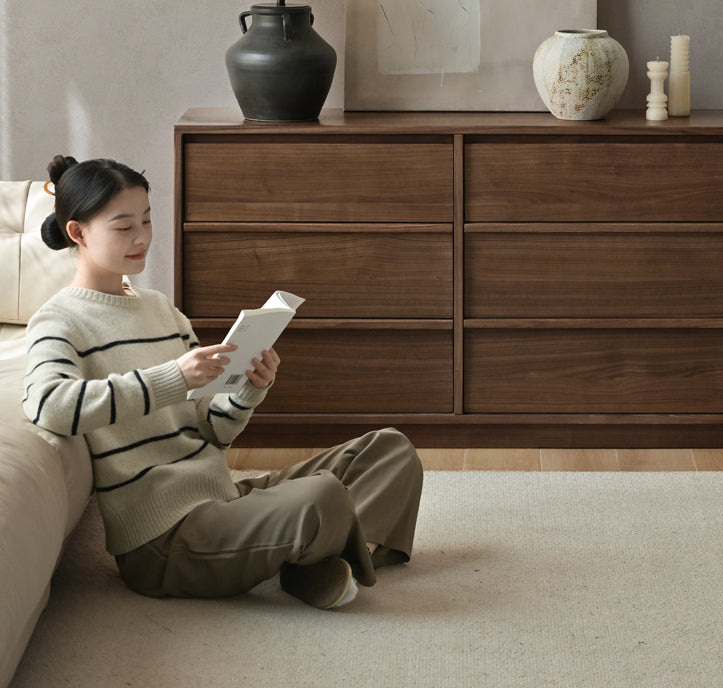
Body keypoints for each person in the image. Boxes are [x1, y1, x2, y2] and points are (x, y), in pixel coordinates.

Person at [23, 155, 423, 609]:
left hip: (221, 499)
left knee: (390, 451)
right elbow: (48, 405)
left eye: (148, 221)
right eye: (123, 226)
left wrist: (248, 390)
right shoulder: (58, 320)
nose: (142, 238)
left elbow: (212, 430)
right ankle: (313, 555)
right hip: (163, 541)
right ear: (78, 232)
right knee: (323, 496)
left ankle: (320, 561)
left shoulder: (162, 310)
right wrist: (173, 377)